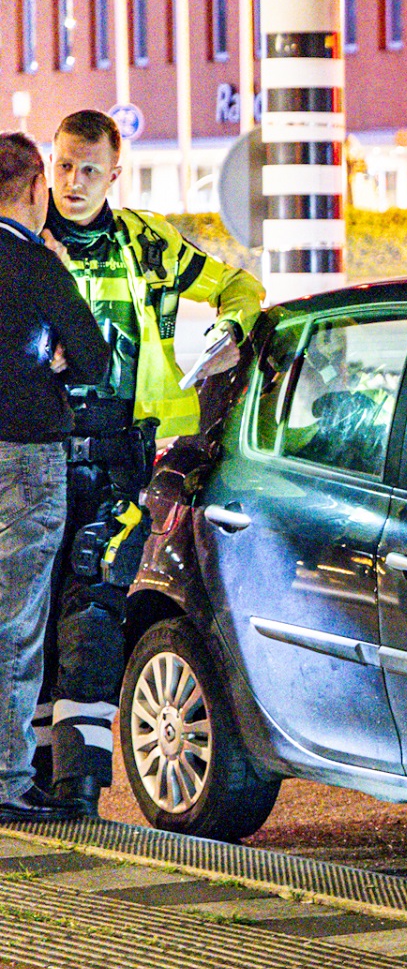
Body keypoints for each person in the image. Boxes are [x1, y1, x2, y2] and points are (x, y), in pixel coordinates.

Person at [38, 109, 264, 816]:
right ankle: (39, 772)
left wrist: (229, 330)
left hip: (119, 450)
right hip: (37, 444)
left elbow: (239, 286)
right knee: (34, 606)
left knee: (96, 596)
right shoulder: (24, 239)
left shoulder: (144, 244)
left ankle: (76, 783)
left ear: (114, 174)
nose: (74, 183)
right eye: (65, 166)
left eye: (89, 170)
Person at [0, 134, 109, 821]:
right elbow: (94, 358)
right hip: (27, 458)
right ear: (37, 187)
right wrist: (55, 363)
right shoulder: (38, 266)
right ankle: (8, 778)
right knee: (14, 622)